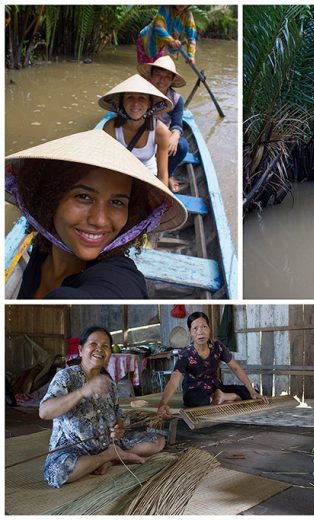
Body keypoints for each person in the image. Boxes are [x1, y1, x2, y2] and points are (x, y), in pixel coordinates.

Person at [5, 130, 187, 299]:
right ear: (50, 198)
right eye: (83, 197)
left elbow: (119, 291)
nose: (99, 220)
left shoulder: (119, 279)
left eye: (117, 202)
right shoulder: (43, 248)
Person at [39, 326, 165, 488]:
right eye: (93, 344)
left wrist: (118, 428)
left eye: (105, 346)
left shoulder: (109, 384)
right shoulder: (67, 376)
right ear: (80, 350)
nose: (99, 349)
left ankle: (108, 456)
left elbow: (118, 417)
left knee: (157, 441)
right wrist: (83, 391)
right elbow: (44, 412)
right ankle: (108, 457)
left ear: (109, 354)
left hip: (106, 443)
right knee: (56, 473)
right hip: (73, 450)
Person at [157, 312, 268, 418]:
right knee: (196, 401)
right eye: (195, 328)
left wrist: (252, 391)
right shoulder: (186, 354)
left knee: (252, 393)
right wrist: (162, 404)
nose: (200, 332)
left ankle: (222, 397)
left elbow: (235, 367)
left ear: (209, 329)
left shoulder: (217, 346)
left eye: (204, 327)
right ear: (190, 332)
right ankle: (223, 398)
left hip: (216, 387)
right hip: (195, 391)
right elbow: (173, 380)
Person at [99, 74, 174, 191]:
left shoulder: (161, 132)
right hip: (120, 175)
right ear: (122, 103)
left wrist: (162, 199)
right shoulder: (110, 128)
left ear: (150, 103)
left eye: (142, 98)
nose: (135, 103)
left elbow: (163, 175)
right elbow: (105, 165)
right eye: (130, 97)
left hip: (148, 178)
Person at [137, 55, 189, 181]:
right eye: (158, 75)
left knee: (182, 146)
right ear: (152, 75)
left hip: (162, 134)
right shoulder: (140, 92)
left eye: (167, 77)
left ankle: (168, 174)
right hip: (141, 131)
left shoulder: (176, 99)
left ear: (172, 80)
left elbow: (177, 124)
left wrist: (174, 136)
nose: (162, 80)